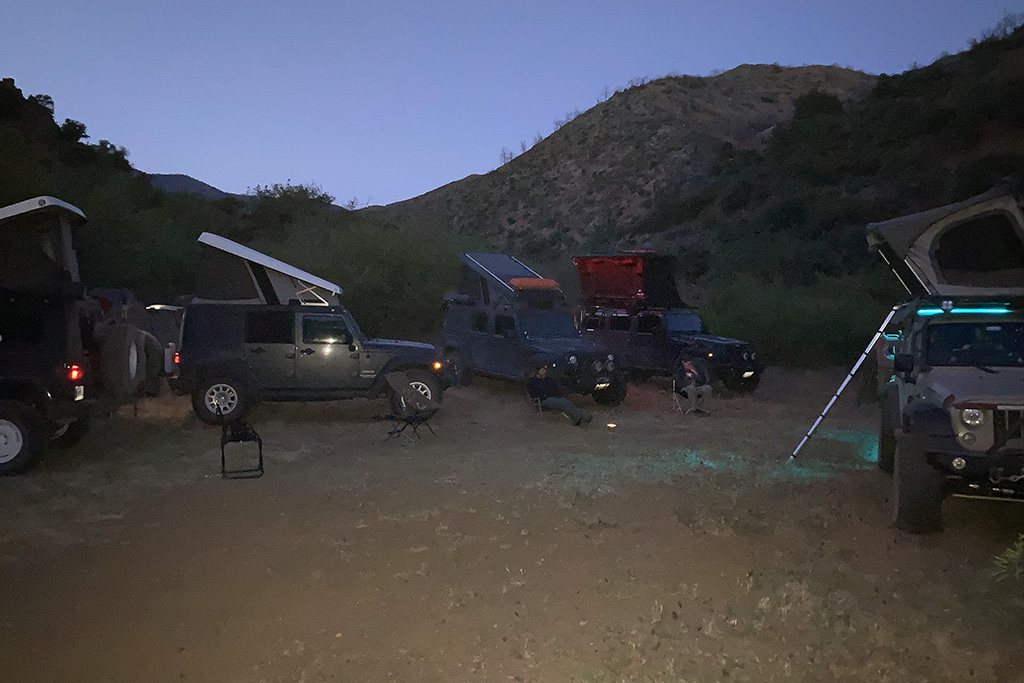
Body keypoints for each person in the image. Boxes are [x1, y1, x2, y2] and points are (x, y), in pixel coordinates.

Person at [527, 364, 592, 427]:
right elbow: (534, 394)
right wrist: (545, 395)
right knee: (561, 403)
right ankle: (578, 416)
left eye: (544, 370)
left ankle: (579, 415)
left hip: (554, 397)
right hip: (543, 400)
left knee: (565, 401)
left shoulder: (549, 380)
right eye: (542, 370)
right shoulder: (532, 382)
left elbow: (556, 390)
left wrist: (557, 394)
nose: (544, 372)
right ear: (537, 372)